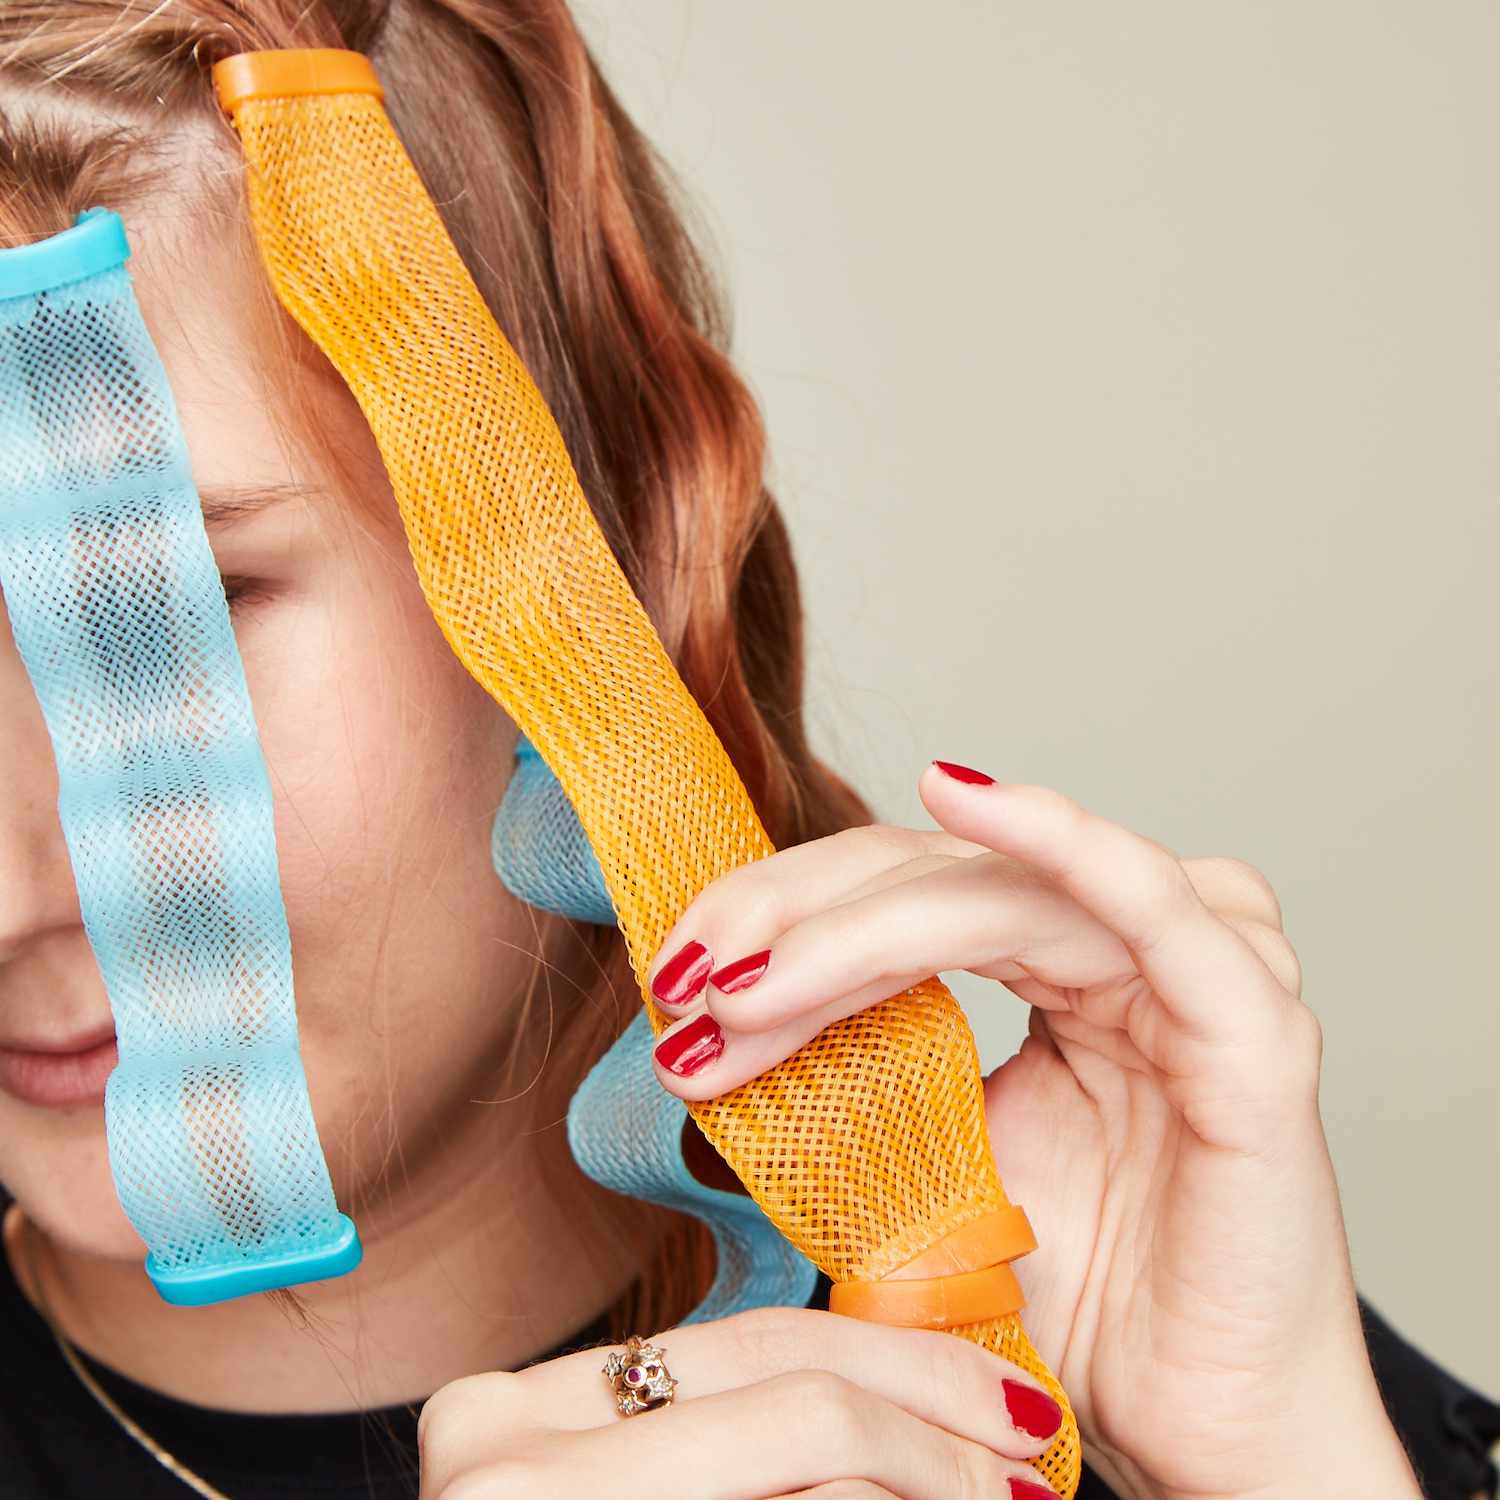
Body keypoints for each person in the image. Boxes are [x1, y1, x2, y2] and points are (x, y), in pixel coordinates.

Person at [0, 3, 1496, 1498]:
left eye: (151, 614)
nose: (11, 891)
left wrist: (1280, 1467)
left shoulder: (1087, 1343)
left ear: (584, 576)